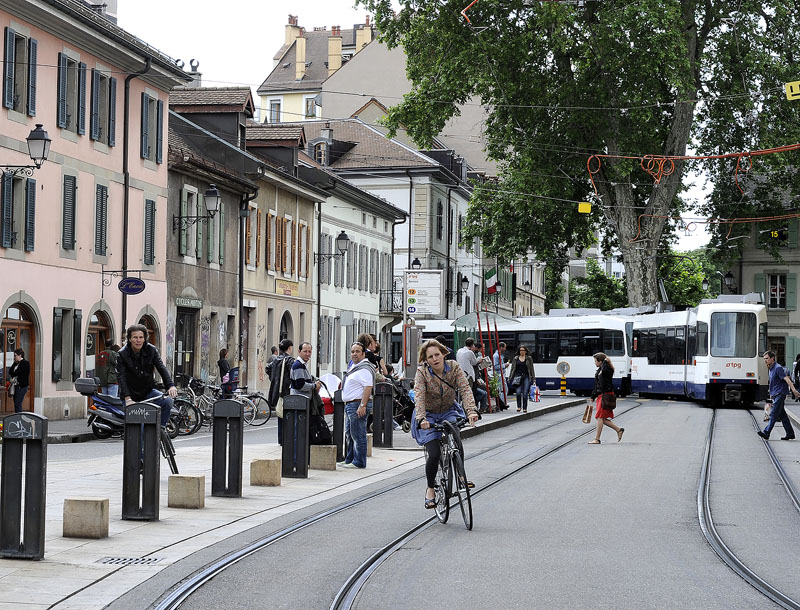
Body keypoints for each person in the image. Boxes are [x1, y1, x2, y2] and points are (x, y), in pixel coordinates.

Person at [413, 339, 479, 509]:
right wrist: (421, 419)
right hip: (428, 414)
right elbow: (419, 396)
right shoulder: (422, 373)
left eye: (437, 355)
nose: (435, 359)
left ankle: (461, 475)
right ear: (425, 359)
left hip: (449, 410)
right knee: (434, 453)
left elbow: (465, 389)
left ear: (443, 353)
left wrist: (471, 411)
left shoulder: (454, 367)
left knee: (456, 436)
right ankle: (430, 489)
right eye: (430, 357)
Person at [116, 324, 177, 427]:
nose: (138, 340)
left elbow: (161, 368)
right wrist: (128, 399)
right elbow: (121, 377)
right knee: (140, 428)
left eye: (141, 337)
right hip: (130, 395)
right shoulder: (122, 354)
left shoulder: (151, 350)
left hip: (148, 392)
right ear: (130, 339)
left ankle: (160, 429)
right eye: (135, 337)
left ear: (145, 338)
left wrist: (170, 386)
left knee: (167, 402)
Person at [341, 342, 375, 468]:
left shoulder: (364, 368)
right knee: (350, 434)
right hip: (351, 404)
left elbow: (368, 387)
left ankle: (359, 461)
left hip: (357, 404)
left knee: (358, 434)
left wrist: (363, 405)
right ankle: (350, 459)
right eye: (352, 351)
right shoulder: (355, 367)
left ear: (363, 354)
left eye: (357, 351)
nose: (354, 354)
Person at [758, 351, 799, 441]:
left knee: (773, 414)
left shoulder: (778, 368)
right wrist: (771, 394)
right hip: (775, 394)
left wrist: (794, 390)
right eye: (764, 359)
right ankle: (790, 433)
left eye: (767, 358)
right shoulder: (771, 368)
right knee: (782, 415)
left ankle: (766, 432)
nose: (765, 360)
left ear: (772, 358)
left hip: (780, 394)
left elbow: (786, 379)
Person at [588, 352, 624, 444]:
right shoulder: (600, 370)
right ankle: (618, 430)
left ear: (601, 361)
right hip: (601, 395)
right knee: (601, 418)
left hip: (606, 395)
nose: (595, 363)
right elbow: (596, 384)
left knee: (600, 417)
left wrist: (605, 362)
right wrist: (593, 396)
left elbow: (605, 372)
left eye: (596, 361)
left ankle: (597, 439)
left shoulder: (607, 369)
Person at [269, 339, 294, 445]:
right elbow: (294, 374)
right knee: (288, 415)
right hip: (286, 391)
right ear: (289, 348)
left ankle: (281, 439)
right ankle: (286, 439)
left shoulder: (276, 360)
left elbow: (267, 368)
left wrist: (274, 379)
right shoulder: (289, 360)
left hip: (277, 391)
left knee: (280, 414)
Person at [456, 337, 489, 413]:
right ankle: (469, 410)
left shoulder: (459, 351)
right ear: (472, 345)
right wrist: (480, 360)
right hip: (469, 375)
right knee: (468, 393)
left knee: (461, 393)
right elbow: (474, 362)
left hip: (461, 374)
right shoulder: (470, 352)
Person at [509, 345, 536, 413]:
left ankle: (524, 408)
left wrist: (534, 379)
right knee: (518, 392)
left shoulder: (529, 358)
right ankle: (519, 406)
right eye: (521, 350)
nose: (522, 352)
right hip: (517, 377)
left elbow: (531, 369)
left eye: (523, 350)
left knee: (525, 393)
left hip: (526, 377)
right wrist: (510, 377)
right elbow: (513, 369)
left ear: (526, 351)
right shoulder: (516, 358)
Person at [8, 348, 30, 413]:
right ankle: (17, 417)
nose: (14, 357)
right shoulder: (16, 364)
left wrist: (14, 372)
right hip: (15, 386)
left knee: (18, 403)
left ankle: (19, 418)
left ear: (20, 355)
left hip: (22, 386)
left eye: (15, 355)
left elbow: (17, 372)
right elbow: (10, 372)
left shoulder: (25, 363)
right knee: (16, 403)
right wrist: (15, 363)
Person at [493, 342, 508, 409]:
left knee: (504, 389)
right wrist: (504, 365)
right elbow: (495, 366)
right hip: (499, 374)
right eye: (504, 347)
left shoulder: (500, 355)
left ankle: (502, 403)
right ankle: (501, 404)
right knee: (502, 389)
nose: (505, 349)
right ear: (501, 347)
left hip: (501, 374)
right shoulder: (496, 356)